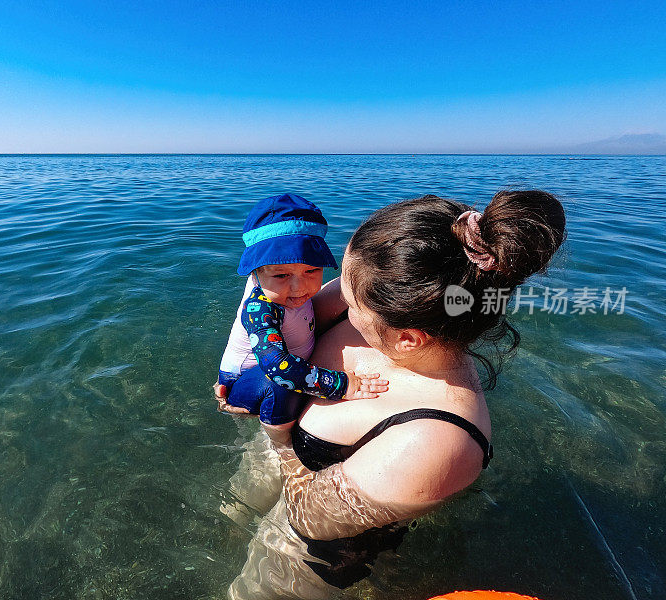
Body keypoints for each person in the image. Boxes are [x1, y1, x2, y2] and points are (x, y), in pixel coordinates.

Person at [223, 190, 566, 599]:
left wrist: (279, 436)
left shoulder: (434, 438)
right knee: (229, 520)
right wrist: (250, 384)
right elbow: (285, 320)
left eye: (349, 298)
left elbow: (311, 520)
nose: (329, 295)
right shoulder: (373, 299)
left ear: (407, 338)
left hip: (306, 554)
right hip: (284, 460)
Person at [216, 193, 388, 427]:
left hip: (288, 357)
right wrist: (342, 385)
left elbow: (352, 277)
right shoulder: (259, 307)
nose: (299, 287)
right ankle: (281, 443)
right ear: (255, 272)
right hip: (253, 380)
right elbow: (279, 368)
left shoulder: (279, 287)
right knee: (275, 384)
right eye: (282, 275)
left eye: (312, 271)